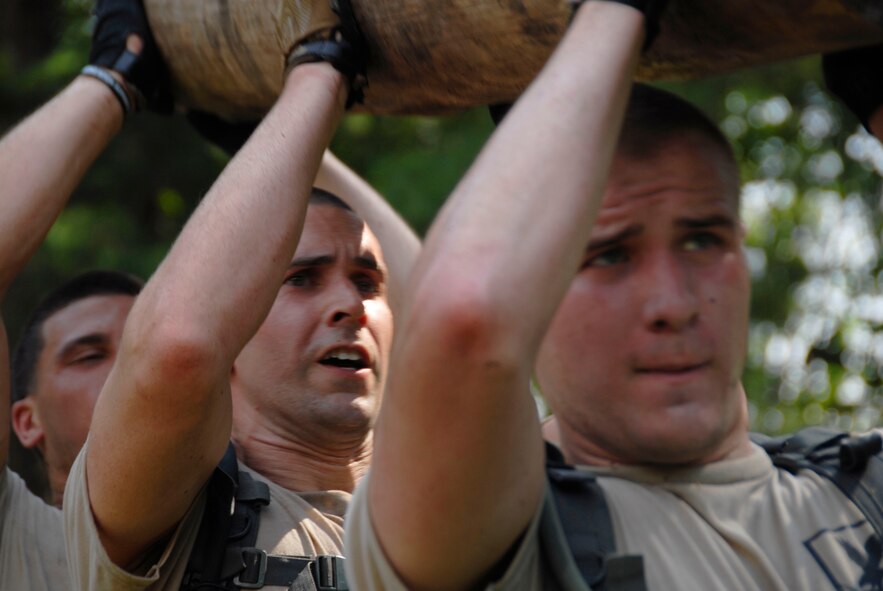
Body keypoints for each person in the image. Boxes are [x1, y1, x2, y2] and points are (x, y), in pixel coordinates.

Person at [344, 1, 883, 590]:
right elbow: (461, 313)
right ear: (532, 295)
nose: (673, 303)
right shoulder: (495, 539)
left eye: (702, 240)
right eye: (609, 256)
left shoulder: (861, 489)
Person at [62, 0, 419, 589]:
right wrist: (322, 66)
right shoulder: (169, 519)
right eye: (301, 279)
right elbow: (177, 344)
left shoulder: (456, 504)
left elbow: (457, 323)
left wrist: (292, 141)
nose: (348, 305)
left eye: (366, 281)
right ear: (232, 339)